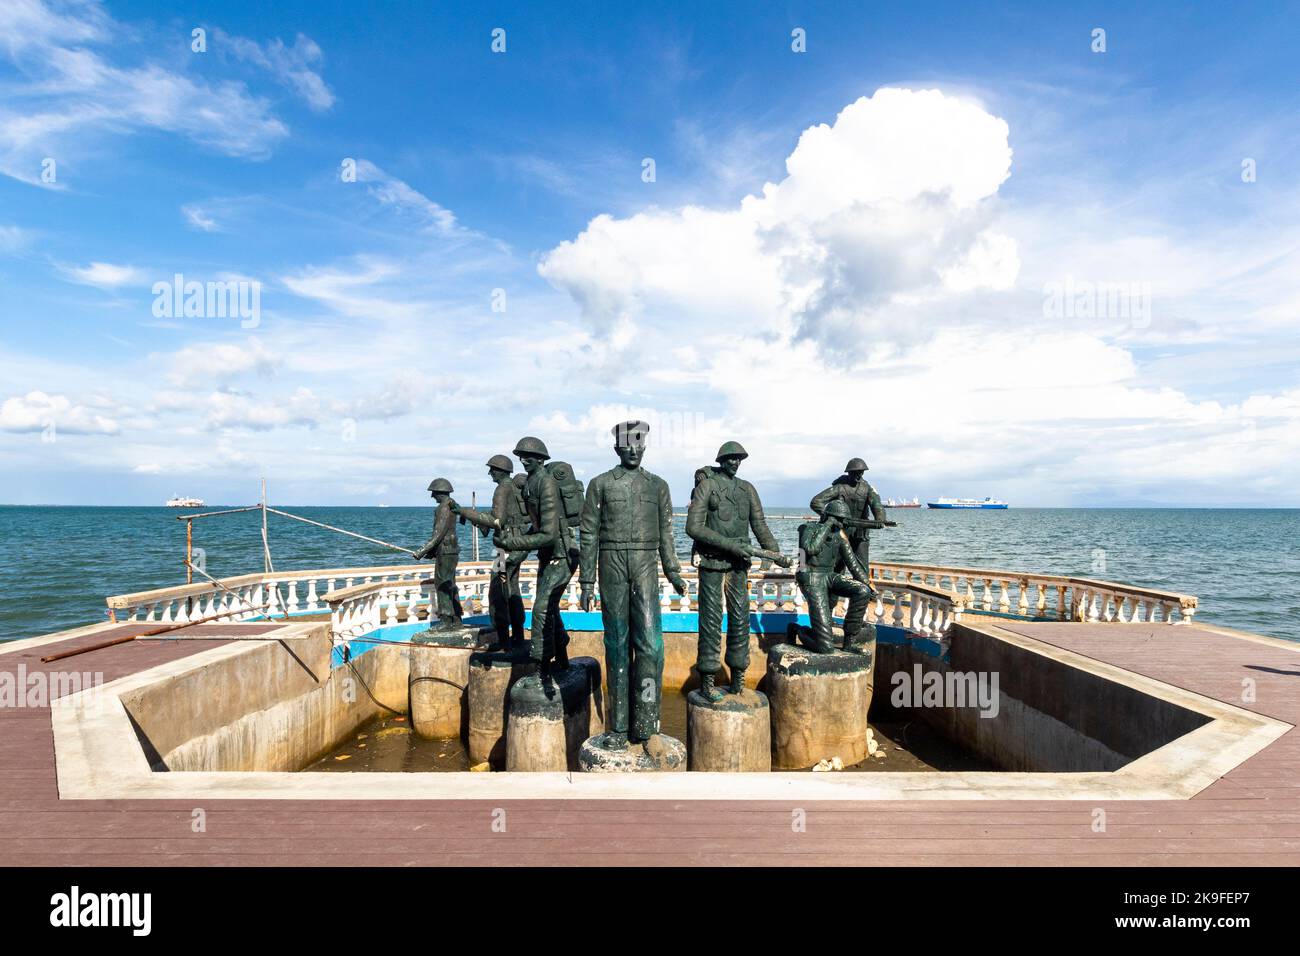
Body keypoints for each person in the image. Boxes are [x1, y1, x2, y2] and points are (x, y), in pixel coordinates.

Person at [579, 420, 686, 748]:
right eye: (629, 445)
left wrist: (672, 570)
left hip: (644, 565)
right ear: (617, 448)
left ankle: (648, 722)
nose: (635, 450)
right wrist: (586, 581)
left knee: (651, 645)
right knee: (617, 645)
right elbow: (589, 533)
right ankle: (618, 726)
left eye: (640, 445)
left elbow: (666, 533)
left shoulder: (658, 486)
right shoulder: (600, 485)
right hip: (610, 562)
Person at [686, 441, 789, 702]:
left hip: (738, 566)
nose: (735, 462)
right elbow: (693, 527)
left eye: (738, 459)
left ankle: (738, 678)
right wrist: (731, 545)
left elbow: (759, 524)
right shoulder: (707, 487)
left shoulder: (747, 489)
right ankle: (708, 680)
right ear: (721, 460)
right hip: (712, 563)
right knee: (709, 621)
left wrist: (772, 551)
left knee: (740, 620)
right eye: (730, 458)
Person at [494, 437, 575, 679]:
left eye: (528, 456)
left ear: (541, 459)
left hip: (561, 556)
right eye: (521, 456)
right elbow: (536, 528)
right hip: (546, 556)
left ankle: (542, 671)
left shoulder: (546, 484)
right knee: (550, 610)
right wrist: (514, 556)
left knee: (541, 610)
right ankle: (562, 660)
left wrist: (511, 543)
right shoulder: (530, 483)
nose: (523, 460)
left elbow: (548, 534)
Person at [453, 454, 527, 651]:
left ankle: (504, 642)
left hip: (504, 550)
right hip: (518, 544)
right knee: (512, 589)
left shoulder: (502, 488)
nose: (490, 473)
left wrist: (464, 512)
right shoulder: (514, 488)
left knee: (498, 592)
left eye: (492, 469)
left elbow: (497, 520)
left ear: (501, 471)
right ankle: (518, 637)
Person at [793, 500, 876, 655]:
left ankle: (849, 642)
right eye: (838, 519)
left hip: (829, 576)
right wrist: (827, 525)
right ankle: (798, 630)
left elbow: (853, 565)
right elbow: (810, 549)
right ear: (828, 516)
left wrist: (868, 584)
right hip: (811, 577)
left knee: (862, 591)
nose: (841, 523)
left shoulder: (839, 536)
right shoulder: (807, 528)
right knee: (825, 648)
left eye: (842, 520)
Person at [810, 457, 887, 572]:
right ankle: (835, 589)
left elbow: (877, 505)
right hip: (840, 532)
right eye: (855, 472)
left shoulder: (867, 489)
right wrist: (829, 516)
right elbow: (816, 502)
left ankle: (863, 589)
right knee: (837, 566)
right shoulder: (839, 488)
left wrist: (880, 519)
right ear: (849, 473)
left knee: (861, 568)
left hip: (860, 534)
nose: (859, 475)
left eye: (861, 472)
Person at [412, 478, 463, 628]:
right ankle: (457, 617)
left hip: (446, 550)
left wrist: (421, 551)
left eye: (433, 492)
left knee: (442, 584)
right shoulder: (453, 504)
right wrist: (432, 552)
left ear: (440, 492)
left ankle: (446, 619)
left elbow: (438, 534)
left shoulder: (443, 507)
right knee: (451, 583)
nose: (432, 496)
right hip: (451, 550)